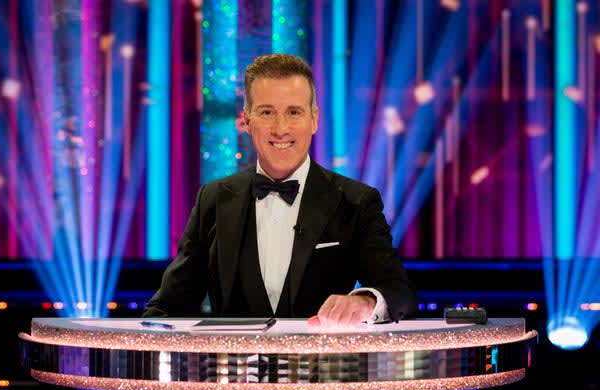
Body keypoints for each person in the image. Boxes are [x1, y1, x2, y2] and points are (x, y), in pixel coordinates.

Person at [143, 53, 417, 326]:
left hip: (322, 355)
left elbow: (398, 292)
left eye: (294, 112)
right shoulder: (213, 200)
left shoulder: (356, 201)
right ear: (247, 121)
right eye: (267, 112)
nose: (281, 129)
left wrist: (365, 301)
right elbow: (168, 307)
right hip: (233, 356)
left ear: (314, 120)